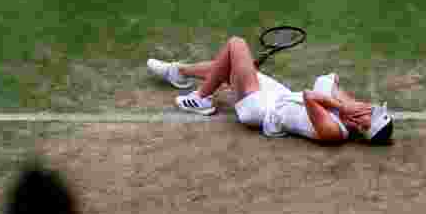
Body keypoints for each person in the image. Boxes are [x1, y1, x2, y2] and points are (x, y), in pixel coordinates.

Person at [147, 36, 393, 144]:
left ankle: (201, 98)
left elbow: (310, 95)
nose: (368, 108)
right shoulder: (348, 116)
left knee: (236, 45)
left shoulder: (334, 132)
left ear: (363, 127)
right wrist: (348, 104)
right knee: (228, 64)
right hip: (278, 95)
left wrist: (344, 106)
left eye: (370, 114)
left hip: (262, 109)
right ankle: (177, 71)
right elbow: (328, 79)